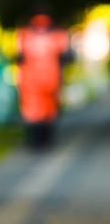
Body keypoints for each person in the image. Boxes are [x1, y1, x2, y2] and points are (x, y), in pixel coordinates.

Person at [16, 12, 70, 149]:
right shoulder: (57, 34)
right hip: (48, 79)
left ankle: (36, 140)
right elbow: (65, 56)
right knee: (46, 111)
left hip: (33, 81)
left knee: (35, 112)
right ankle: (44, 140)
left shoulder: (26, 34)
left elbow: (19, 56)